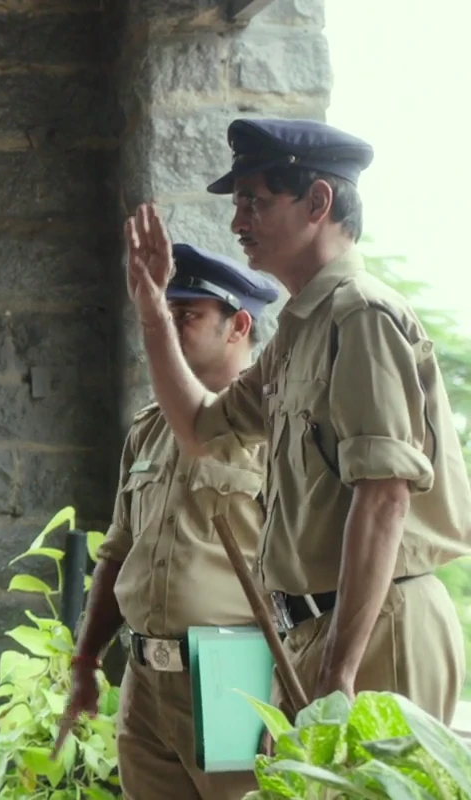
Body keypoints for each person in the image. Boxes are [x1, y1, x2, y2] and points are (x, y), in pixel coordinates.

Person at [129, 119, 471, 722]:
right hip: (319, 631)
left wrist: (338, 673)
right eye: (238, 206)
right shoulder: (301, 328)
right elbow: (202, 430)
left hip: (378, 632)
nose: (237, 223)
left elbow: (384, 495)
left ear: (318, 202)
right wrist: (154, 311)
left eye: (255, 203)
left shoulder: (360, 314)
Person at [58, 243, 277, 798]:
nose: (167, 327)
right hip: (146, 680)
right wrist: (86, 660)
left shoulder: (274, 430)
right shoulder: (149, 429)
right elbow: (118, 551)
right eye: (162, 312)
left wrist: (289, 691)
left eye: (186, 315)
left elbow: (307, 571)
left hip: (235, 673)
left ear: (238, 326)